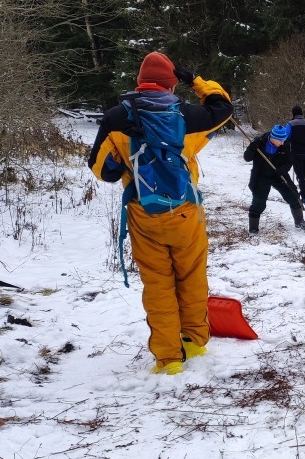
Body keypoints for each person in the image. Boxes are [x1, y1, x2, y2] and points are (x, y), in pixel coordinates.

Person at [88, 51, 232, 375]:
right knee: (192, 277)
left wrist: (119, 163)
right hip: (185, 212)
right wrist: (194, 78)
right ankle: (194, 341)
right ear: (171, 84)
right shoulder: (188, 117)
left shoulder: (116, 118)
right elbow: (223, 106)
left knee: (158, 286)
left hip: (144, 216)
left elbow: (101, 169)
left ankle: (168, 360)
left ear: (139, 82)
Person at [245, 122, 305, 234]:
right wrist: (252, 148)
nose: (282, 143)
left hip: (278, 174)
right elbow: (247, 158)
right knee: (259, 202)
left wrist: (283, 169)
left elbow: (289, 162)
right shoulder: (259, 142)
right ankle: (253, 228)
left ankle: (299, 221)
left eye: (283, 140)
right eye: (280, 140)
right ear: (273, 137)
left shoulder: (286, 144)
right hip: (261, 175)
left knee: (293, 195)